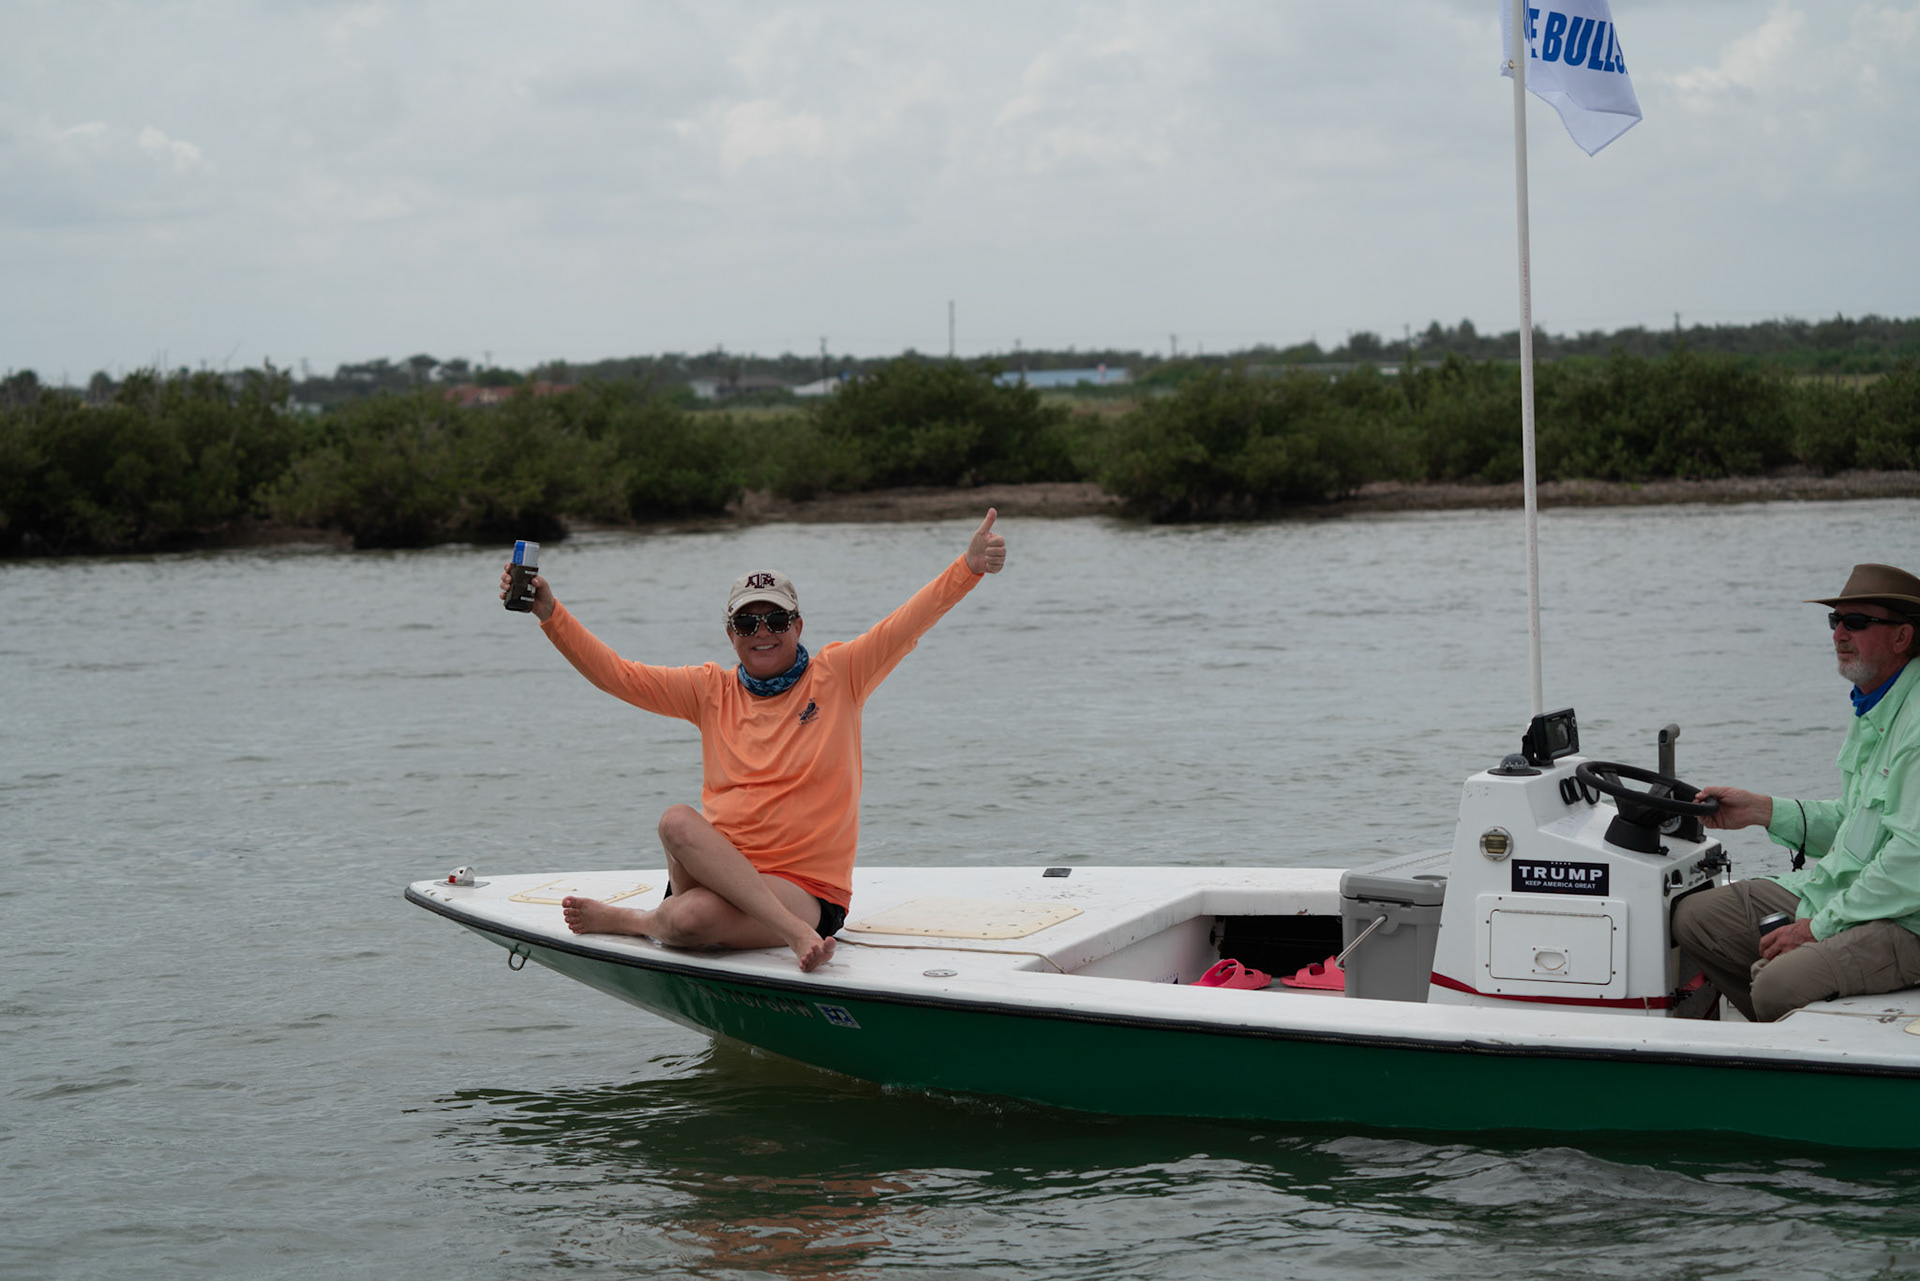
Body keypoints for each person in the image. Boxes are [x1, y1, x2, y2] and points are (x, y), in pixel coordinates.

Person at [499, 510, 1007, 972]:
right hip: (718, 872)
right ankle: (790, 936)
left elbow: (908, 622)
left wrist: (968, 568)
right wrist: (550, 612)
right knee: (675, 820)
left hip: (805, 888)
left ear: (798, 625)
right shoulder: (708, 690)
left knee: (688, 922)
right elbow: (616, 675)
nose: (761, 632)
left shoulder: (842, 673)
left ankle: (637, 920)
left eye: (776, 619)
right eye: (747, 621)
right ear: (730, 633)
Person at [1674, 563, 1920, 1022]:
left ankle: (1802, 1050)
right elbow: (1855, 823)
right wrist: (1762, 811)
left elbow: (1912, 862)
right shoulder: (1875, 701)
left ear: (1902, 637)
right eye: (1835, 621)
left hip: (1909, 919)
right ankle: (1786, 1034)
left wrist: (1819, 928)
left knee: (1775, 985)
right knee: (1695, 917)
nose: (1839, 634)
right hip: (1864, 895)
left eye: (1856, 622)